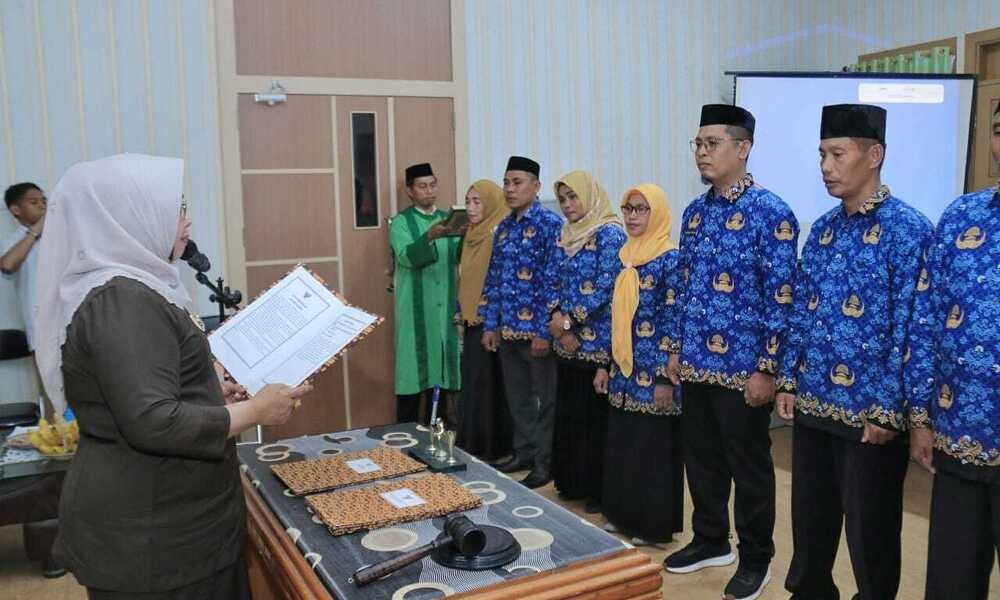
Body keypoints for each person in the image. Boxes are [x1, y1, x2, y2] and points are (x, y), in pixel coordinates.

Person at [33, 154, 313, 599]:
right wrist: (256, 411)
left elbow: (146, 388)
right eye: (177, 208)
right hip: (153, 536)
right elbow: (152, 420)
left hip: (169, 524)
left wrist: (211, 394)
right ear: (131, 215)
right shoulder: (121, 300)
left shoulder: (136, 288)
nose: (186, 221)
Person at [776, 104, 933, 600]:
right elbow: (801, 309)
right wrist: (787, 378)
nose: (825, 166)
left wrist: (890, 408)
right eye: (821, 154)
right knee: (810, 523)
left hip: (870, 416)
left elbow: (913, 326)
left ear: (874, 155)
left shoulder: (909, 231)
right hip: (814, 403)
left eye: (837, 154)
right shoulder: (823, 229)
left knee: (871, 535)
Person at [663, 104, 796, 600]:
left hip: (744, 370)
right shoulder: (695, 213)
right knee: (701, 460)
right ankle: (710, 539)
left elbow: (781, 297)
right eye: (698, 143)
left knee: (750, 467)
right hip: (696, 363)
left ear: (743, 148)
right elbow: (683, 287)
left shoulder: (771, 213)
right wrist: (675, 348)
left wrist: (768, 368)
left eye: (712, 143)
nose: (702, 152)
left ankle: (756, 558)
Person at [906, 102, 1000, 600]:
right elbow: (926, 319)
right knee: (952, 577)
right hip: (959, 429)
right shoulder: (962, 217)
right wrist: (921, 418)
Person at [594, 183, 683, 545]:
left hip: (654, 373)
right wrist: (604, 364)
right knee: (624, 446)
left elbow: (674, 319)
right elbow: (613, 318)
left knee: (652, 451)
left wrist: (665, 378)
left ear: (657, 213)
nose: (632, 216)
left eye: (641, 209)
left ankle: (653, 526)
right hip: (623, 374)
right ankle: (623, 516)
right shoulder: (625, 256)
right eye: (628, 208)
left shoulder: (669, 258)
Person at [482, 155, 563, 489]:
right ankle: (524, 452)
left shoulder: (550, 224)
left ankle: (545, 462)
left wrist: (544, 331)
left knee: (545, 401)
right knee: (518, 399)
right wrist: (490, 324)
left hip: (537, 335)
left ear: (536, 186)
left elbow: (554, 281)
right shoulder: (503, 228)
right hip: (508, 330)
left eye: (517, 182)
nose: (510, 189)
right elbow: (494, 278)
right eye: (506, 182)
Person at [547, 170, 624, 513]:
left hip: (597, 344)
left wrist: (569, 321)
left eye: (573, 197)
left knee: (595, 423)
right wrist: (559, 324)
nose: (567, 205)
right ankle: (572, 482)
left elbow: (607, 288)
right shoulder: (565, 233)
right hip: (566, 342)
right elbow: (550, 280)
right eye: (562, 199)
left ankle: (597, 488)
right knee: (571, 417)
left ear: (589, 196)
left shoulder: (610, 234)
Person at [389, 163, 462, 424]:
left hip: (445, 311)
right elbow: (406, 256)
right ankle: (405, 438)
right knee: (412, 374)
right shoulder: (401, 222)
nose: (429, 191)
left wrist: (468, 235)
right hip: (414, 311)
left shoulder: (448, 219)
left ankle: (440, 434)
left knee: (441, 373)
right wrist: (429, 237)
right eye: (422, 186)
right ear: (410, 191)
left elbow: (459, 255)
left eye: (432, 185)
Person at [455, 179, 512, 461]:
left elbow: (497, 281)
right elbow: (465, 279)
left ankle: (492, 446)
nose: (470, 208)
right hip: (471, 320)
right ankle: (473, 443)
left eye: (477, 202)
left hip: (491, 321)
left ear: (491, 204)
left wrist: (492, 322)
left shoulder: (498, 233)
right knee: (473, 383)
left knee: (488, 385)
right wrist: (460, 311)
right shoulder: (471, 234)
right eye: (468, 202)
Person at [2, 182, 46, 349]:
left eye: (44, 201)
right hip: (40, 322)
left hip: (73, 317)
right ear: (16, 210)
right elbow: (7, 265)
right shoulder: (13, 242)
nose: (42, 206)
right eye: (34, 202)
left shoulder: (61, 233)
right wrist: (35, 231)